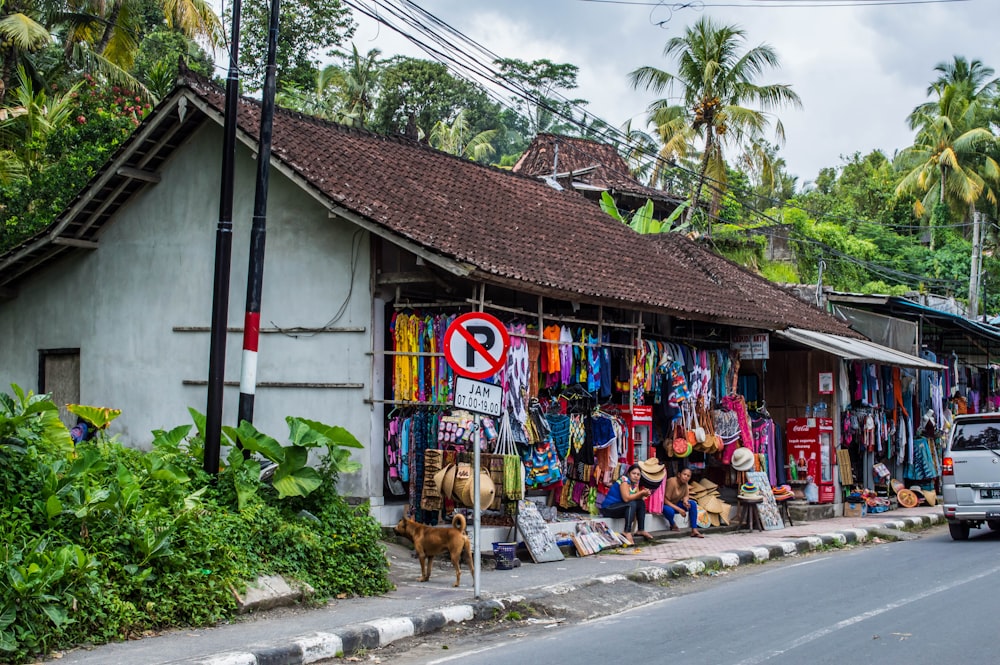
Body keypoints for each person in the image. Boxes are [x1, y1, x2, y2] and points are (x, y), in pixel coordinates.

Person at [600, 464, 653, 544]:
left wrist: (643, 494)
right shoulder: (624, 480)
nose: (636, 476)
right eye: (633, 473)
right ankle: (627, 531)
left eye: (638, 474)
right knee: (631, 504)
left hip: (618, 508)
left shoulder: (633, 485)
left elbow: (634, 499)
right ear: (628, 474)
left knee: (640, 503)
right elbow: (626, 498)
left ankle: (641, 530)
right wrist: (641, 493)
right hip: (608, 508)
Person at [662, 467, 704, 538]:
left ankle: (694, 529)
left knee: (692, 504)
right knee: (669, 511)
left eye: (688, 476)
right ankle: (673, 524)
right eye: (684, 474)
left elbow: (686, 495)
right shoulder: (672, 482)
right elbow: (665, 500)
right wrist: (679, 509)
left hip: (676, 504)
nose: (686, 477)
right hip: (667, 505)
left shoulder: (685, 484)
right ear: (679, 474)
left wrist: (685, 501)